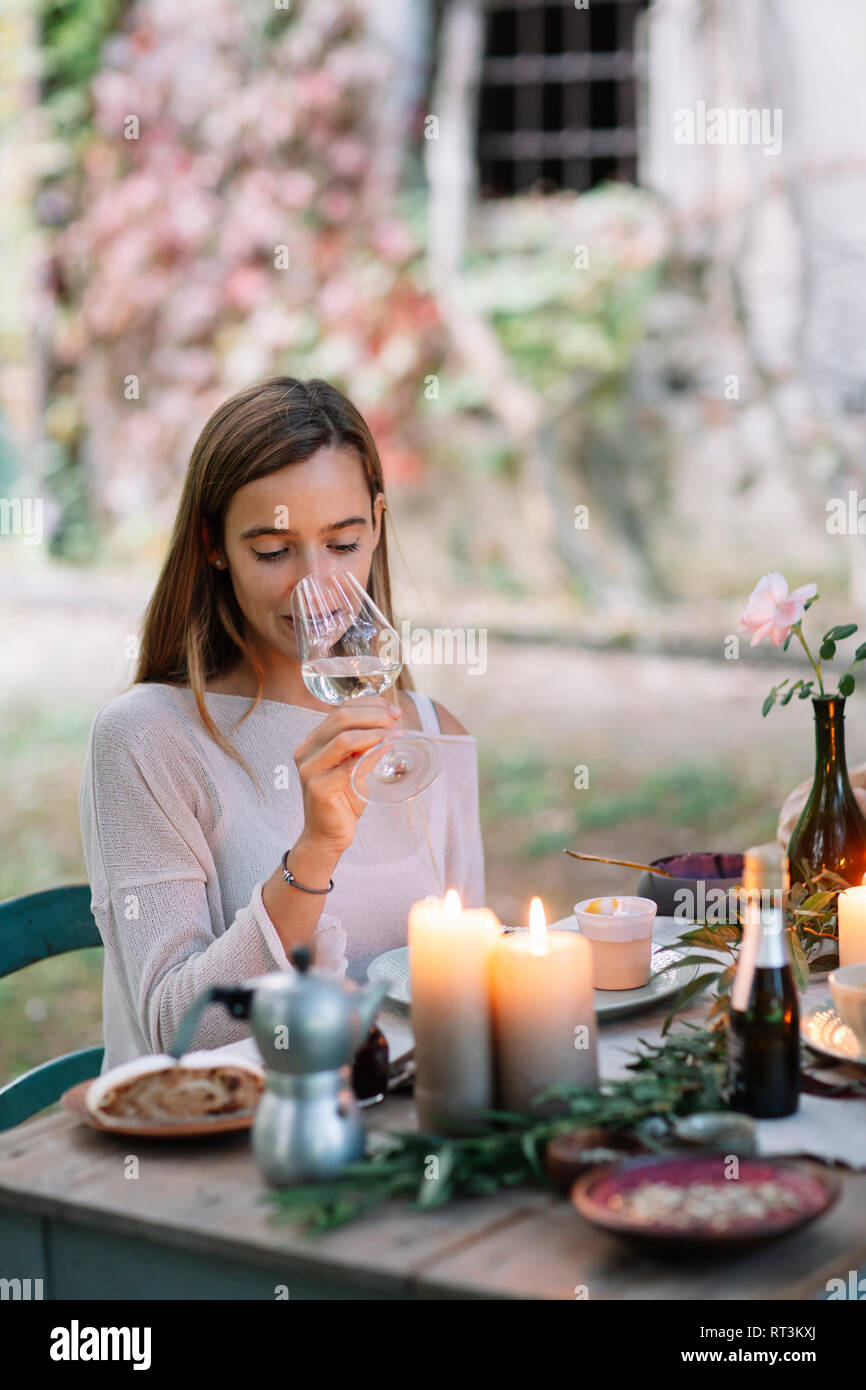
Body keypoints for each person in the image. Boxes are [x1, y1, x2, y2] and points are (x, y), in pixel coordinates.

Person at [79, 377, 485, 1069]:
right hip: (232, 1151)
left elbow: (469, 978)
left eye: (343, 542)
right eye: (273, 550)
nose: (315, 586)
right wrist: (316, 850)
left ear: (378, 525)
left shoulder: (426, 732)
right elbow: (174, 1029)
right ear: (214, 544)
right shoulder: (147, 738)